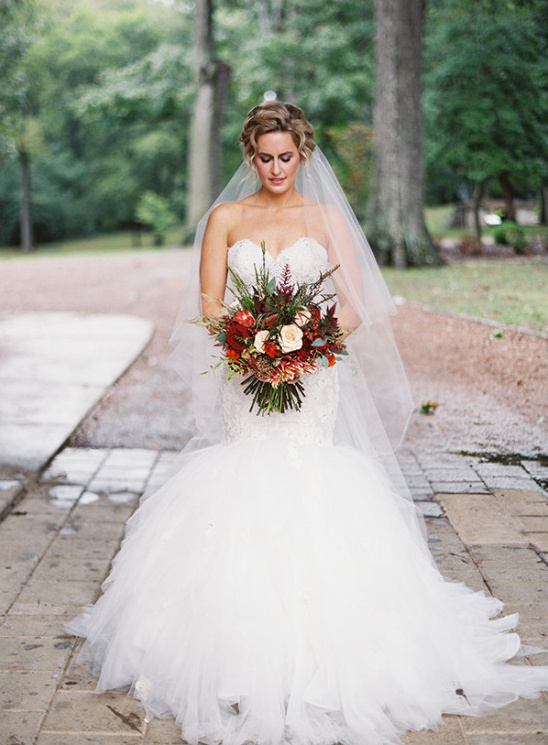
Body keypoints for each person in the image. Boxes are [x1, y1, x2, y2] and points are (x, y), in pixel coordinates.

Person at [67, 102, 548, 745]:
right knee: (242, 484)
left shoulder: (324, 220)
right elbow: (211, 306)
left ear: (304, 156)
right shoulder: (226, 219)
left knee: (311, 483)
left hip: (312, 374)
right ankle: (229, 652)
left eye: (286, 157)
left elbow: (354, 305)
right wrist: (251, 351)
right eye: (263, 157)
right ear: (249, 156)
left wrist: (303, 351)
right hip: (247, 377)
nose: (274, 168)